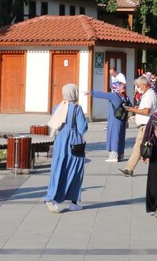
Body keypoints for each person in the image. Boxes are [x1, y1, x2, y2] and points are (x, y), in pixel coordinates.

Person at [45, 84, 88, 213]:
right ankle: (73, 201)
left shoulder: (57, 107)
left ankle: (52, 197)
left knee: (58, 168)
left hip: (59, 141)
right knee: (75, 170)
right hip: (73, 141)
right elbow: (82, 128)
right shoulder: (77, 109)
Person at [118, 76, 157, 177]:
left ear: (144, 85)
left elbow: (146, 111)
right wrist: (137, 108)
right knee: (143, 147)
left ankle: (129, 169)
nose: (137, 88)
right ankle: (129, 168)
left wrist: (133, 110)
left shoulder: (149, 95)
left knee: (140, 147)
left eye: (138, 86)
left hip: (146, 125)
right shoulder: (147, 94)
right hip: (146, 124)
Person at [87, 73, 127, 162]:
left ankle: (113, 156)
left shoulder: (114, 95)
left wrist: (90, 92)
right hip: (122, 119)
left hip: (115, 119)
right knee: (120, 136)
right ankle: (120, 155)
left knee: (114, 136)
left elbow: (102, 94)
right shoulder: (124, 96)